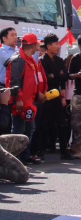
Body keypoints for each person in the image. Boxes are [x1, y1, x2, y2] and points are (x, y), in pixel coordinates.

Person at [7, 33, 47, 165]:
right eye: (37, 45)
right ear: (33, 45)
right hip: (20, 103)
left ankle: (25, 155)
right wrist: (18, 99)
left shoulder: (30, 60)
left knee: (29, 129)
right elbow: (14, 81)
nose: (38, 47)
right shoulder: (18, 60)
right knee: (18, 130)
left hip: (30, 102)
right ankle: (15, 158)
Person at [37, 34, 73, 160]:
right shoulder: (41, 61)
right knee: (43, 123)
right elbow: (45, 79)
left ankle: (64, 151)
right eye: (56, 44)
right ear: (48, 46)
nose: (58, 46)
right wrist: (56, 77)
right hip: (45, 96)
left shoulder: (59, 61)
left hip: (57, 95)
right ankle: (40, 150)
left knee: (62, 123)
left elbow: (64, 77)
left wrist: (58, 80)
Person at [0, 27, 19, 136]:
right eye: (12, 35)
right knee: (4, 120)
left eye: (16, 35)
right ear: (4, 38)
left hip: (16, 88)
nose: (16, 37)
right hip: (3, 88)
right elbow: (12, 63)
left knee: (16, 119)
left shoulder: (18, 50)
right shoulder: (1, 51)